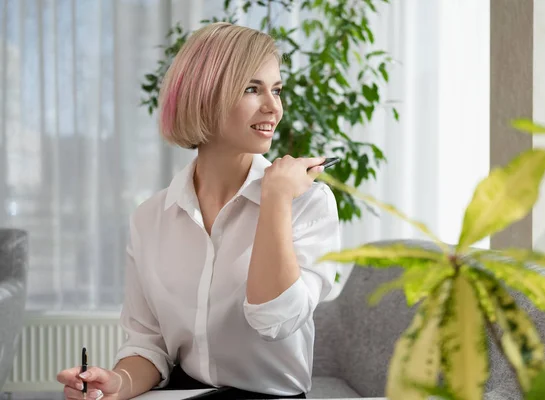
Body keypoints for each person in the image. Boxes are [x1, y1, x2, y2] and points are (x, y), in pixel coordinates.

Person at [57, 22, 340, 400]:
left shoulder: (307, 203)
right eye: (252, 89)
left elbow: (276, 320)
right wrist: (116, 385)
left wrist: (274, 200)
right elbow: (148, 343)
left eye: (276, 89)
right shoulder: (150, 218)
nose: (274, 107)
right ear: (205, 95)